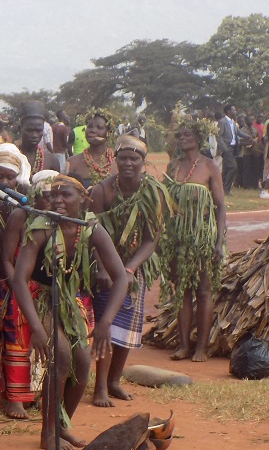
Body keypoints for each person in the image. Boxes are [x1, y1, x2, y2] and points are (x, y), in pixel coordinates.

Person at [12, 175, 127, 450]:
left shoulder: (90, 228)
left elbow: (121, 277)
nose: (58, 200)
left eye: (66, 195)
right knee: (61, 357)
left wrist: (105, 323)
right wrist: (36, 326)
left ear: (83, 199)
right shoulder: (41, 228)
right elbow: (19, 279)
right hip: (39, 298)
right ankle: (47, 433)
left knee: (83, 363)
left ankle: (62, 426)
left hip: (69, 299)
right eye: (54, 195)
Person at [89, 135, 172, 406]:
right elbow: (91, 232)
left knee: (128, 326)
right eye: (123, 158)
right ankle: (100, 387)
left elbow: (151, 239)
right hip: (103, 266)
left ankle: (114, 381)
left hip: (133, 265)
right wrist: (103, 268)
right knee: (107, 323)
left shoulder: (153, 192)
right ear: (114, 159)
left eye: (134, 159)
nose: (127, 163)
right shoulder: (102, 191)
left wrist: (130, 269)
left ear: (142, 161)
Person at [0, 164, 53, 420]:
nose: (52, 200)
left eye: (57, 195)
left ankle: (37, 391)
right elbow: (7, 258)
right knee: (18, 332)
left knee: (50, 336)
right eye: (47, 195)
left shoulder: (60, 220)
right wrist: (18, 285)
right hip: (18, 283)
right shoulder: (21, 216)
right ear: (35, 195)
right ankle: (14, 398)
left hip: (45, 288)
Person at [160, 117, 226, 362]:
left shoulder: (210, 166)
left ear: (199, 138)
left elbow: (220, 206)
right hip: (177, 238)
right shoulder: (173, 166)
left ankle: (201, 348)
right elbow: (164, 202)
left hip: (202, 238)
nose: (182, 138)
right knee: (182, 290)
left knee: (203, 290)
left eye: (187, 135)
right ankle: (184, 345)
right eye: (179, 135)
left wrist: (218, 241)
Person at [66, 109, 115, 187]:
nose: (92, 130)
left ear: (109, 133)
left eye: (99, 127)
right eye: (89, 126)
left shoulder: (117, 162)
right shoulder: (72, 162)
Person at [19, 102, 60, 173]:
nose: (34, 135)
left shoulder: (52, 161)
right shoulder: (10, 157)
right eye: (30, 130)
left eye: (39, 130)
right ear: (20, 129)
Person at [216, 104, 242, 194]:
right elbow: (218, 136)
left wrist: (248, 137)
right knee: (233, 167)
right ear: (228, 112)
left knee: (226, 169)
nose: (235, 111)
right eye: (233, 110)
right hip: (227, 149)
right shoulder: (222, 122)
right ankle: (226, 189)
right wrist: (224, 148)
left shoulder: (233, 122)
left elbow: (238, 132)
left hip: (233, 148)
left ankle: (221, 188)